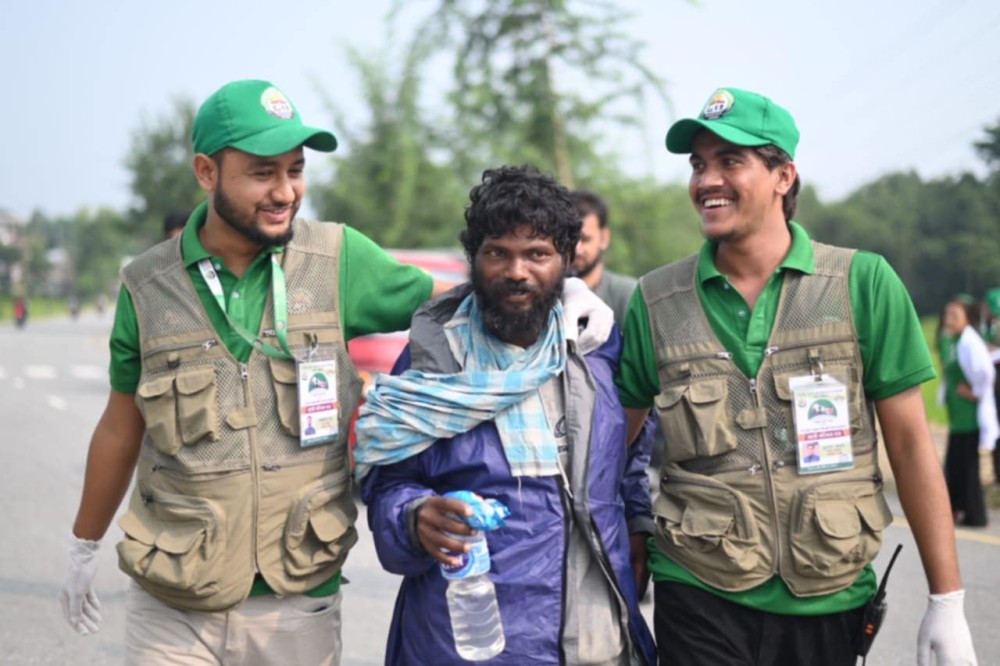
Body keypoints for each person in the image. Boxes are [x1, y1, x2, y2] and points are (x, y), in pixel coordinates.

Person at [58, 79, 613, 666]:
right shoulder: (146, 286)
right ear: (206, 172)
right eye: (262, 173)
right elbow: (122, 426)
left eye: (295, 171)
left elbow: (471, 299)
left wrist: (566, 291)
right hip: (173, 599)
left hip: (296, 602)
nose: (284, 191)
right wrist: (83, 545)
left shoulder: (338, 258)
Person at [616, 87, 979, 665]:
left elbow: (911, 447)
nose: (706, 180)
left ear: (784, 175)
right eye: (698, 164)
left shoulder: (863, 284)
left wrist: (948, 601)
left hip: (829, 594)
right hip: (699, 588)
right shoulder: (656, 301)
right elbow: (613, 445)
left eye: (730, 161)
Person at [354, 164, 656, 665]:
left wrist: (639, 525)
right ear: (474, 259)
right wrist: (414, 518)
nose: (517, 271)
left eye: (536, 254)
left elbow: (628, 457)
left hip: (597, 635)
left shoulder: (596, 346)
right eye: (498, 253)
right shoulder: (434, 358)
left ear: (565, 259)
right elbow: (388, 484)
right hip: (467, 641)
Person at [936, 296, 997, 527]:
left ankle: (975, 516)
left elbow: (986, 373)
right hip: (956, 415)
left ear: (966, 319)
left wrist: (976, 393)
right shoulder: (951, 339)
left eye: (955, 316)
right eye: (947, 315)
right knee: (955, 466)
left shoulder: (970, 342)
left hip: (969, 415)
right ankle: (958, 510)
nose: (948, 319)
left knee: (967, 468)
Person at [569, 188, 636, 327]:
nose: (576, 249)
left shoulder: (629, 295)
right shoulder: (543, 295)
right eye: (569, 239)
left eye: (585, 239)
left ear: (604, 238)